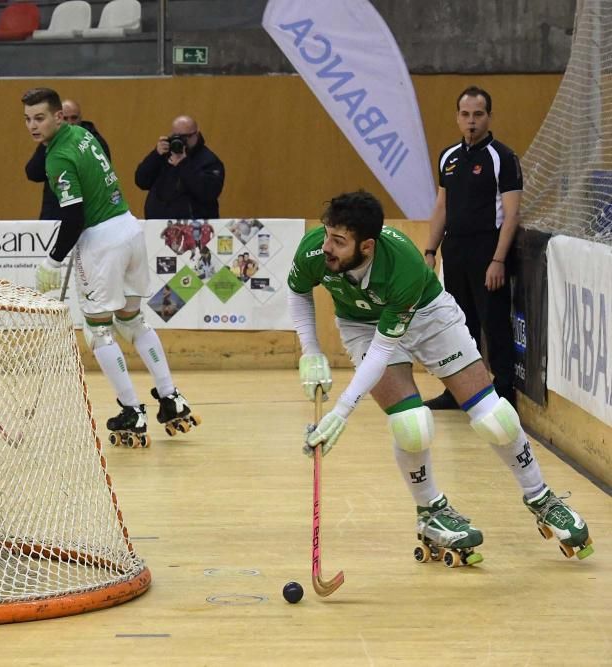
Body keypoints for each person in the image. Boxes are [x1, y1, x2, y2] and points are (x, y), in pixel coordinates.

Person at [289, 190, 592, 565]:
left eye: (339, 241)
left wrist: (341, 411)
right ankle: (430, 509)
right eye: (327, 234)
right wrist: (312, 349)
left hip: (427, 316)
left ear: (366, 246)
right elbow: (298, 291)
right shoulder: (315, 251)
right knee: (411, 424)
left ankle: (541, 496)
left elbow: (386, 350)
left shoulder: (403, 267)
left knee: (494, 417)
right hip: (361, 325)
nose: (327, 247)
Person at [22, 87, 200, 446]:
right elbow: (35, 171)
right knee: (133, 320)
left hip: (102, 242)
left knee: (99, 331)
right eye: (27, 119)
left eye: (39, 118)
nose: (32, 126)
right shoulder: (83, 134)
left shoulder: (59, 158)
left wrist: (52, 261)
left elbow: (72, 217)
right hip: (130, 229)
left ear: (59, 116)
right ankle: (171, 398)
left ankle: (132, 410)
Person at [422, 86, 521, 410]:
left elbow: (511, 213)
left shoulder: (502, 158)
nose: (471, 121)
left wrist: (498, 260)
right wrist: (430, 251)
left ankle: (504, 391)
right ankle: (458, 391)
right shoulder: (448, 157)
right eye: (465, 115)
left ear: (488, 117)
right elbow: (441, 207)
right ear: (457, 117)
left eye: (478, 114)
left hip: (487, 250)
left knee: (493, 322)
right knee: (459, 324)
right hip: (456, 250)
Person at [25, 99, 111, 221]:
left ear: (81, 118)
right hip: (55, 211)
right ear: (58, 119)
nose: (70, 123)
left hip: (88, 214)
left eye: (74, 118)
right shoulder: (52, 142)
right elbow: (33, 173)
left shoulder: (92, 139)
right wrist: (47, 143)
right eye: (65, 118)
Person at [134, 115, 225, 220]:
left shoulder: (209, 160)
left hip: (193, 226)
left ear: (196, 134)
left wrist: (183, 164)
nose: (181, 141)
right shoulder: (164, 155)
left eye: (185, 137)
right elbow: (141, 181)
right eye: (176, 137)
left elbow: (208, 192)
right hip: (158, 225)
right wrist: (155, 155)